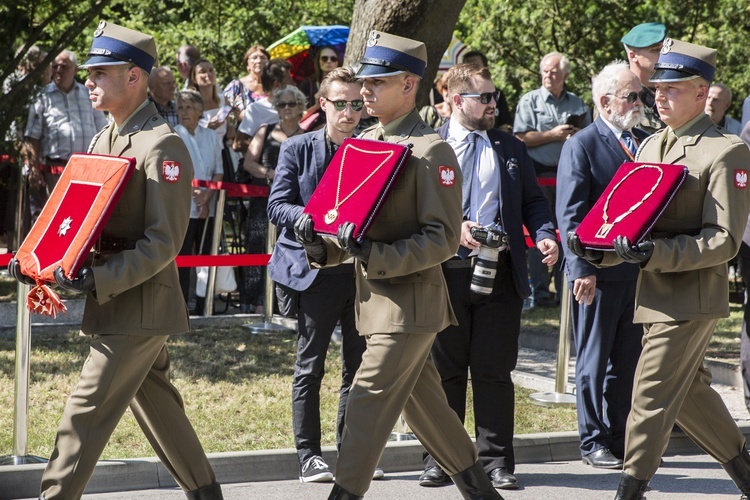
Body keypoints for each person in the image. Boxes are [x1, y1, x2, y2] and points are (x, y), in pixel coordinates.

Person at [8, 21, 223, 499]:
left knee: (83, 414)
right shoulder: (103, 138)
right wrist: (35, 259)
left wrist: (96, 277)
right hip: (117, 299)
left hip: (140, 302)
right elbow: (76, 219)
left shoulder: (162, 145)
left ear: (134, 77)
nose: (89, 80)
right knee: (161, 411)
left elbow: (163, 241)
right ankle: (208, 493)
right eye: (89, 71)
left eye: (101, 71)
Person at [294, 30, 503, 500]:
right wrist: (317, 244)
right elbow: (340, 224)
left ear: (409, 85)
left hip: (410, 305)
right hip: (374, 303)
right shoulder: (364, 140)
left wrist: (375, 254)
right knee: (427, 411)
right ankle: (482, 493)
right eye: (365, 81)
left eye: (378, 82)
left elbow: (443, 239)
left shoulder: (431, 151)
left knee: (366, 402)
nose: (364, 90)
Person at [567, 39, 750, 500]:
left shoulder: (725, 152)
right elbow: (629, 227)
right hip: (651, 294)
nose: (659, 96)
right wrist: (595, 250)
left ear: (702, 91)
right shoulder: (651, 146)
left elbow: (723, 240)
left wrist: (655, 254)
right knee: (689, 394)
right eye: (658, 88)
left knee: (648, 395)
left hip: (690, 295)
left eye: (673, 88)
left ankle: (630, 490)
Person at [418, 63, 558, 491]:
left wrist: (546, 233)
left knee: (494, 370)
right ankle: (441, 459)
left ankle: (496, 461)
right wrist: (452, 224)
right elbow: (413, 205)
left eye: (495, 96)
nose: (494, 104)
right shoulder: (429, 145)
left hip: (500, 273)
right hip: (443, 273)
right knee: (446, 371)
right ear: (458, 101)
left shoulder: (509, 147)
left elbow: (533, 200)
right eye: (486, 97)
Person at [267, 67, 370, 483]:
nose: (349, 113)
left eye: (356, 104)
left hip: (361, 273)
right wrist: (307, 220)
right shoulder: (297, 148)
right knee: (310, 366)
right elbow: (277, 206)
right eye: (341, 104)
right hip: (314, 271)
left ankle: (350, 453)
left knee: (358, 368)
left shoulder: (372, 148)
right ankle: (308, 454)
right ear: (323, 104)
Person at [556, 61, 648, 470]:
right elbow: (570, 215)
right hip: (596, 271)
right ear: (605, 101)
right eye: (632, 96)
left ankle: (617, 435)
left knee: (627, 360)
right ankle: (592, 439)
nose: (639, 103)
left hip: (635, 270)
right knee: (594, 360)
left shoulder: (643, 141)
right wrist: (581, 269)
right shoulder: (583, 144)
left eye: (639, 95)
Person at [514, 51, 590, 307]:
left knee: (568, 232)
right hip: (539, 174)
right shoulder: (530, 101)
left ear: (565, 76)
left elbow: (590, 137)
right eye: (545, 71)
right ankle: (541, 292)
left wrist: (575, 135)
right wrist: (554, 134)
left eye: (553, 72)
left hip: (571, 176)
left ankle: (565, 288)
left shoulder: (578, 103)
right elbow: (521, 137)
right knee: (541, 232)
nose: (548, 75)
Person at [240, 85, 306, 314]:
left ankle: (285, 303)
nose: (286, 108)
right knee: (259, 247)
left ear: (300, 107)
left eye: (291, 103)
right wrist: (270, 173)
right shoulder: (264, 130)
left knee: (290, 250)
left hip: (296, 206)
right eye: (282, 104)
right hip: (264, 202)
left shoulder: (308, 136)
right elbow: (248, 163)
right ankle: (258, 302)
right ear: (276, 108)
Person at [23, 49, 108, 221]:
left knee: (83, 219)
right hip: (55, 172)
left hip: (87, 171)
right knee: (55, 220)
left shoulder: (89, 94)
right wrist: (33, 169)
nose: (58, 70)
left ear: (75, 70)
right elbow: (33, 136)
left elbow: (102, 130)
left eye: (64, 66)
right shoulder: (41, 97)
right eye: (55, 67)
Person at [174, 89, 223, 314]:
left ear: (200, 110)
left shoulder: (211, 136)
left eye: (188, 107)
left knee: (205, 257)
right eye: (180, 107)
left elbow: (218, 172)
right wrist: (197, 198)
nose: (183, 112)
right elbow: (175, 171)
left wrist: (206, 199)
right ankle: (181, 306)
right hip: (184, 208)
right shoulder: (173, 136)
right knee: (182, 258)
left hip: (209, 206)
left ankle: (205, 306)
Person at [621, 22, 668, 134]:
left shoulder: (672, 92)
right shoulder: (619, 97)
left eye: (665, 49)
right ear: (633, 56)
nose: (663, 54)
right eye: (655, 50)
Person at [223, 45, 270, 153]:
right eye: (254, 58)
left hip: (270, 141)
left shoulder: (275, 86)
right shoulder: (236, 86)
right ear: (247, 64)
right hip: (243, 143)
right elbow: (225, 110)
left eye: (263, 58)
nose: (259, 60)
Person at [461, 50, 513, 133]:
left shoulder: (497, 94)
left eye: (476, 67)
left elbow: (503, 126)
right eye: (467, 68)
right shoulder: (459, 95)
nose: (472, 71)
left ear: (486, 68)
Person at [187, 59, 227, 145]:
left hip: (227, 152)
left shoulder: (224, 100)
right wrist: (208, 129)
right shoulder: (191, 106)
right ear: (194, 79)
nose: (208, 74)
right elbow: (189, 136)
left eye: (211, 70)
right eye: (202, 71)